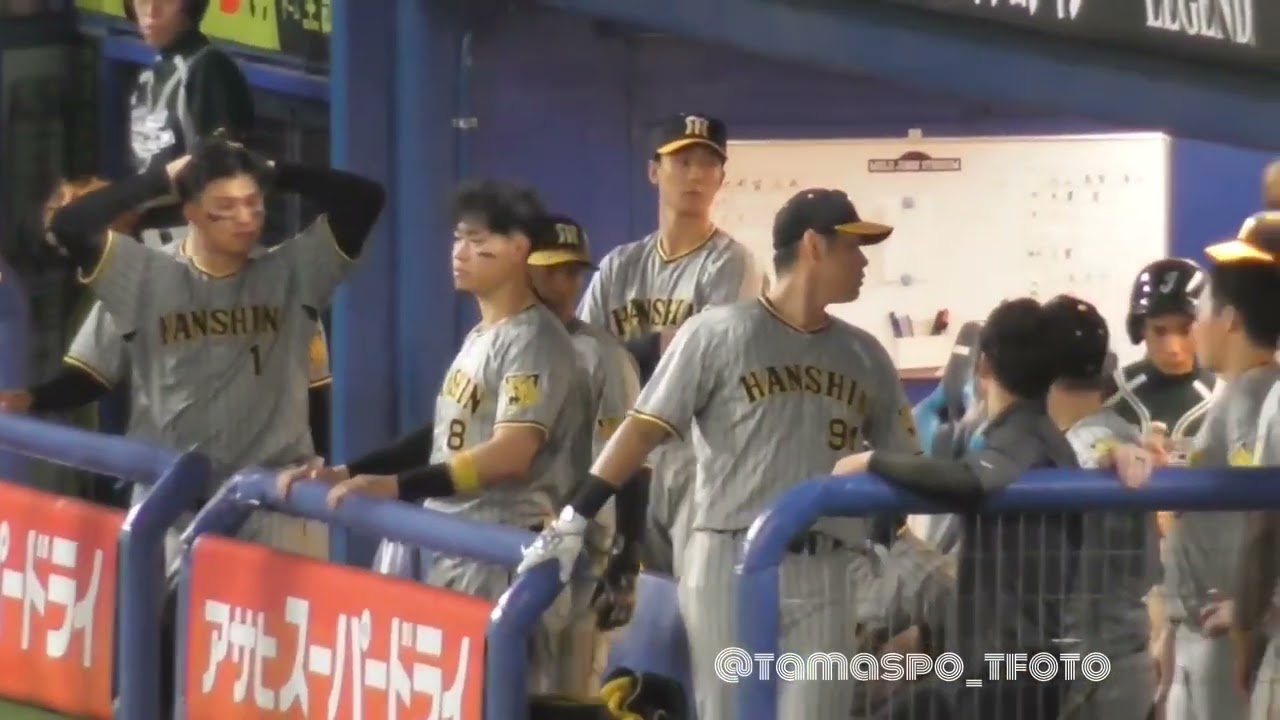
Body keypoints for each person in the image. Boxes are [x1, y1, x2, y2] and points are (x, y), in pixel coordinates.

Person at [520, 188, 919, 719]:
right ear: (813, 246)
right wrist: (575, 516)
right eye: (851, 247)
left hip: (826, 565)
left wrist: (890, 519)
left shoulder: (865, 354)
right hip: (728, 556)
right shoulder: (717, 333)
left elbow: (906, 462)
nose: (863, 262)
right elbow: (640, 432)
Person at [277, 180, 589, 693]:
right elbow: (443, 434)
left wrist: (399, 486)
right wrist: (349, 471)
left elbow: (511, 454)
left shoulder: (535, 340)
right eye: (457, 238)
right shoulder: (483, 333)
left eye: (477, 240)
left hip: (500, 551)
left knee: (489, 698)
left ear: (518, 248)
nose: (459, 252)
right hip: (454, 546)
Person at [829, 296, 1156, 720]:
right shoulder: (1039, 435)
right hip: (1006, 661)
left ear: (983, 366)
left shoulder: (1025, 435)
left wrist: (872, 460)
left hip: (1013, 669)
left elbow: (972, 479)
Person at [42, 138, 383, 543]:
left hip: (274, 502)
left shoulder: (293, 271)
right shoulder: (146, 275)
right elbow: (70, 225)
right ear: (193, 213)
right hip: (173, 503)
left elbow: (365, 199)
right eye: (226, 207)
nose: (245, 218)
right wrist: (161, 179)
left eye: (253, 204)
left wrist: (275, 170)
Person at [0, 179, 333, 462]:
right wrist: (33, 399)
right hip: (166, 464)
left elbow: (314, 387)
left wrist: (318, 462)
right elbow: (90, 375)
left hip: (259, 472)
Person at [578, 112, 766, 577]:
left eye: (708, 163)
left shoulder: (731, 264)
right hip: (621, 459)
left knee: (694, 598)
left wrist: (623, 356)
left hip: (696, 463)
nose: (696, 174)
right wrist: (653, 347)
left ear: (721, 177)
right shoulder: (620, 265)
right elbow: (581, 361)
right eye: (682, 162)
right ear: (653, 171)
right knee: (621, 599)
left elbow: (706, 366)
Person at [1162, 211, 1280, 720]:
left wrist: (1250, 615)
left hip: (1228, 631)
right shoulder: (1237, 392)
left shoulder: (1257, 395)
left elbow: (1262, 514)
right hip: (1208, 627)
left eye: (1201, 312)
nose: (1194, 328)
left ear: (1230, 319)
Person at [527, 213, 645, 696]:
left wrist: (627, 557)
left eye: (573, 271)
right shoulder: (501, 341)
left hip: (578, 558)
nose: (566, 283)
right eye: (552, 270)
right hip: (510, 543)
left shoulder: (603, 355)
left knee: (564, 694)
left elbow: (632, 458)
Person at [1041, 295, 1162, 720]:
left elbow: (1098, 453)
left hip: (1088, 674)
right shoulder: (1124, 434)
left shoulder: (1085, 448)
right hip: (1126, 664)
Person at [125, 0, 254, 231]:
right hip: (152, 235)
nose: (151, 11)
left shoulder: (208, 67)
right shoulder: (152, 72)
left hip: (192, 236)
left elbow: (220, 170)